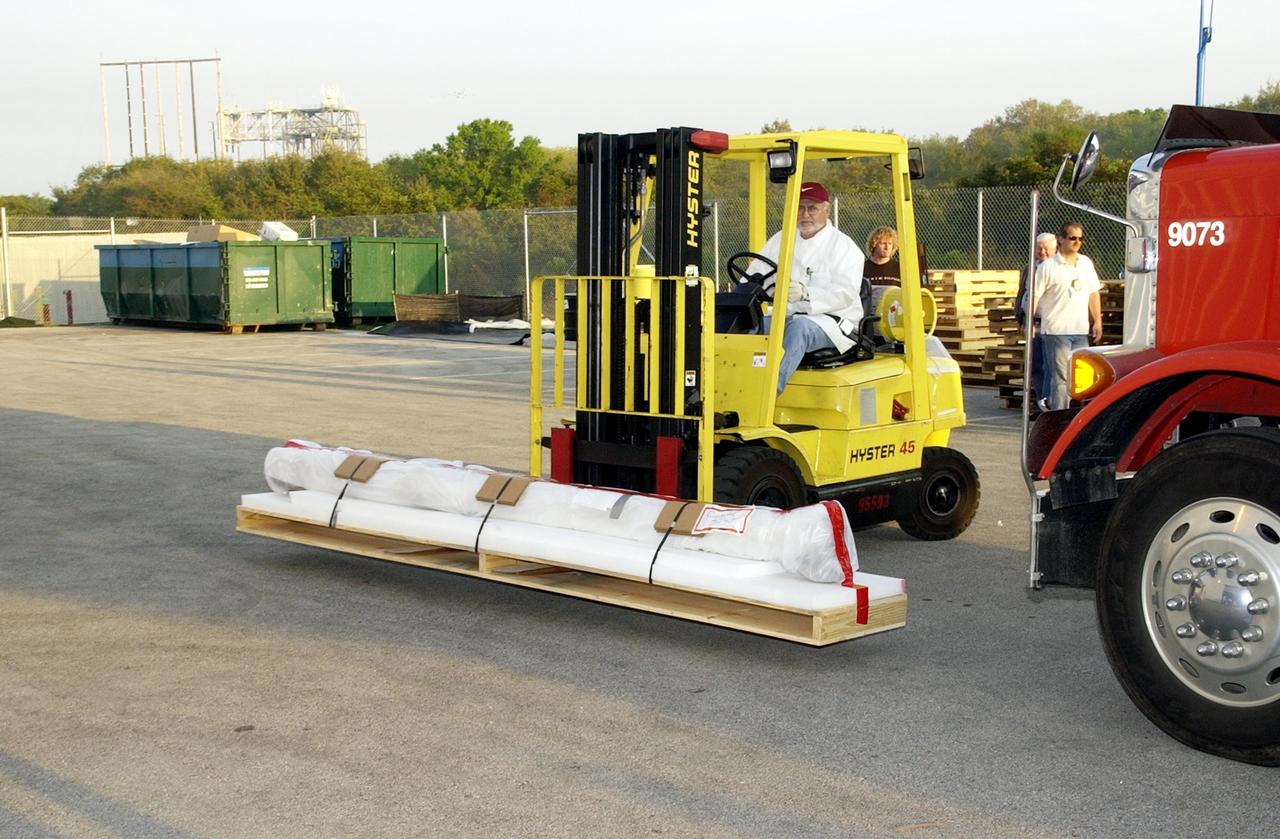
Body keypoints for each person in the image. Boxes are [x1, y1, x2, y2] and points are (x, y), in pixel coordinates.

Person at [747, 182, 865, 394]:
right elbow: (759, 269)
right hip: (788, 315)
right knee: (747, 327)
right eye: (800, 208)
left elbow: (845, 294)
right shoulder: (782, 239)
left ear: (826, 211)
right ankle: (729, 392)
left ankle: (765, 396)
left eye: (812, 208)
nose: (805, 214)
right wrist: (748, 289)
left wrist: (806, 293)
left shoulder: (844, 247)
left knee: (798, 329)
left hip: (833, 321)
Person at [1033, 221, 1102, 411]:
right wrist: (1030, 320)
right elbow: (1035, 295)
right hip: (1056, 331)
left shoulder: (1086, 263)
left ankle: (1077, 416)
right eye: (1072, 238)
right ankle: (1059, 417)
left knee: (1081, 378)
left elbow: (1093, 293)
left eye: (1080, 239)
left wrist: (1097, 321)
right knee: (1061, 378)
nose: (1077, 242)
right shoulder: (1048, 267)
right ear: (1061, 239)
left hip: (1080, 330)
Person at [1016, 232, 1058, 411]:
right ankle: (1041, 399)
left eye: (1046, 248)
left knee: (1051, 366)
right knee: (1035, 364)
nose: (1042, 252)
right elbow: (1022, 293)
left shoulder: (1058, 268)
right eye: (1039, 248)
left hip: (1051, 323)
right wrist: (1021, 317)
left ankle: (1051, 403)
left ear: (1055, 249)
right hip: (1033, 322)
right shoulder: (1029, 268)